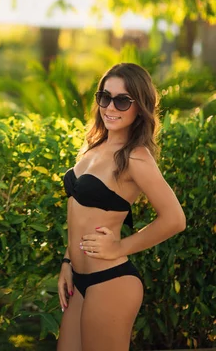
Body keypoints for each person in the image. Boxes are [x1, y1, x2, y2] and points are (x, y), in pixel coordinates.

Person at [57, 63, 186, 351]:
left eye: (122, 100)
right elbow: (80, 212)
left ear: (140, 107)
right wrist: (68, 261)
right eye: (105, 97)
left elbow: (175, 219)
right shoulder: (93, 146)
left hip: (111, 282)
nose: (110, 107)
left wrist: (118, 247)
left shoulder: (136, 158)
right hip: (79, 281)